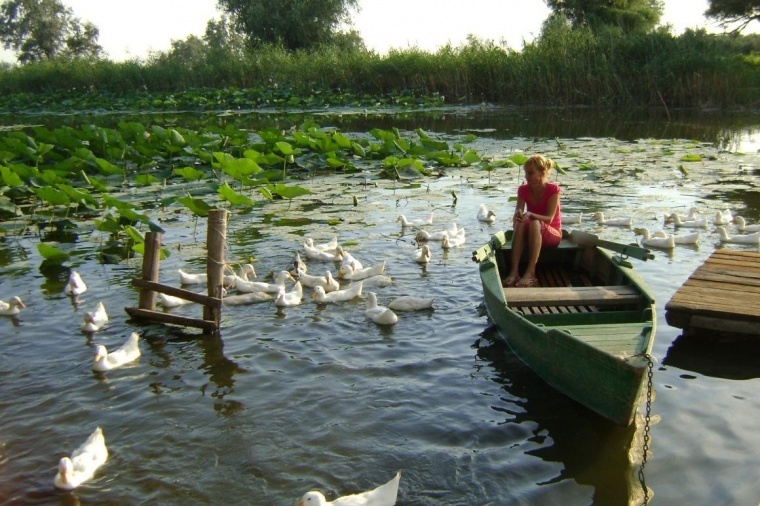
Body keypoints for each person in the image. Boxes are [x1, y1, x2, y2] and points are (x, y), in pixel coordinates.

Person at [503, 154, 562, 287]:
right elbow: (517, 216)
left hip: (551, 233)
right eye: (525, 173)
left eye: (530, 173)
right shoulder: (523, 190)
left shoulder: (553, 190)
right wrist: (518, 214)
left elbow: (549, 219)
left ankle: (530, 273)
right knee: (521, 221)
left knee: (535, 222)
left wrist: (531, 214)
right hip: (532, 232)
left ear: (542, 172)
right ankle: (514, 272)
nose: (526, 176)